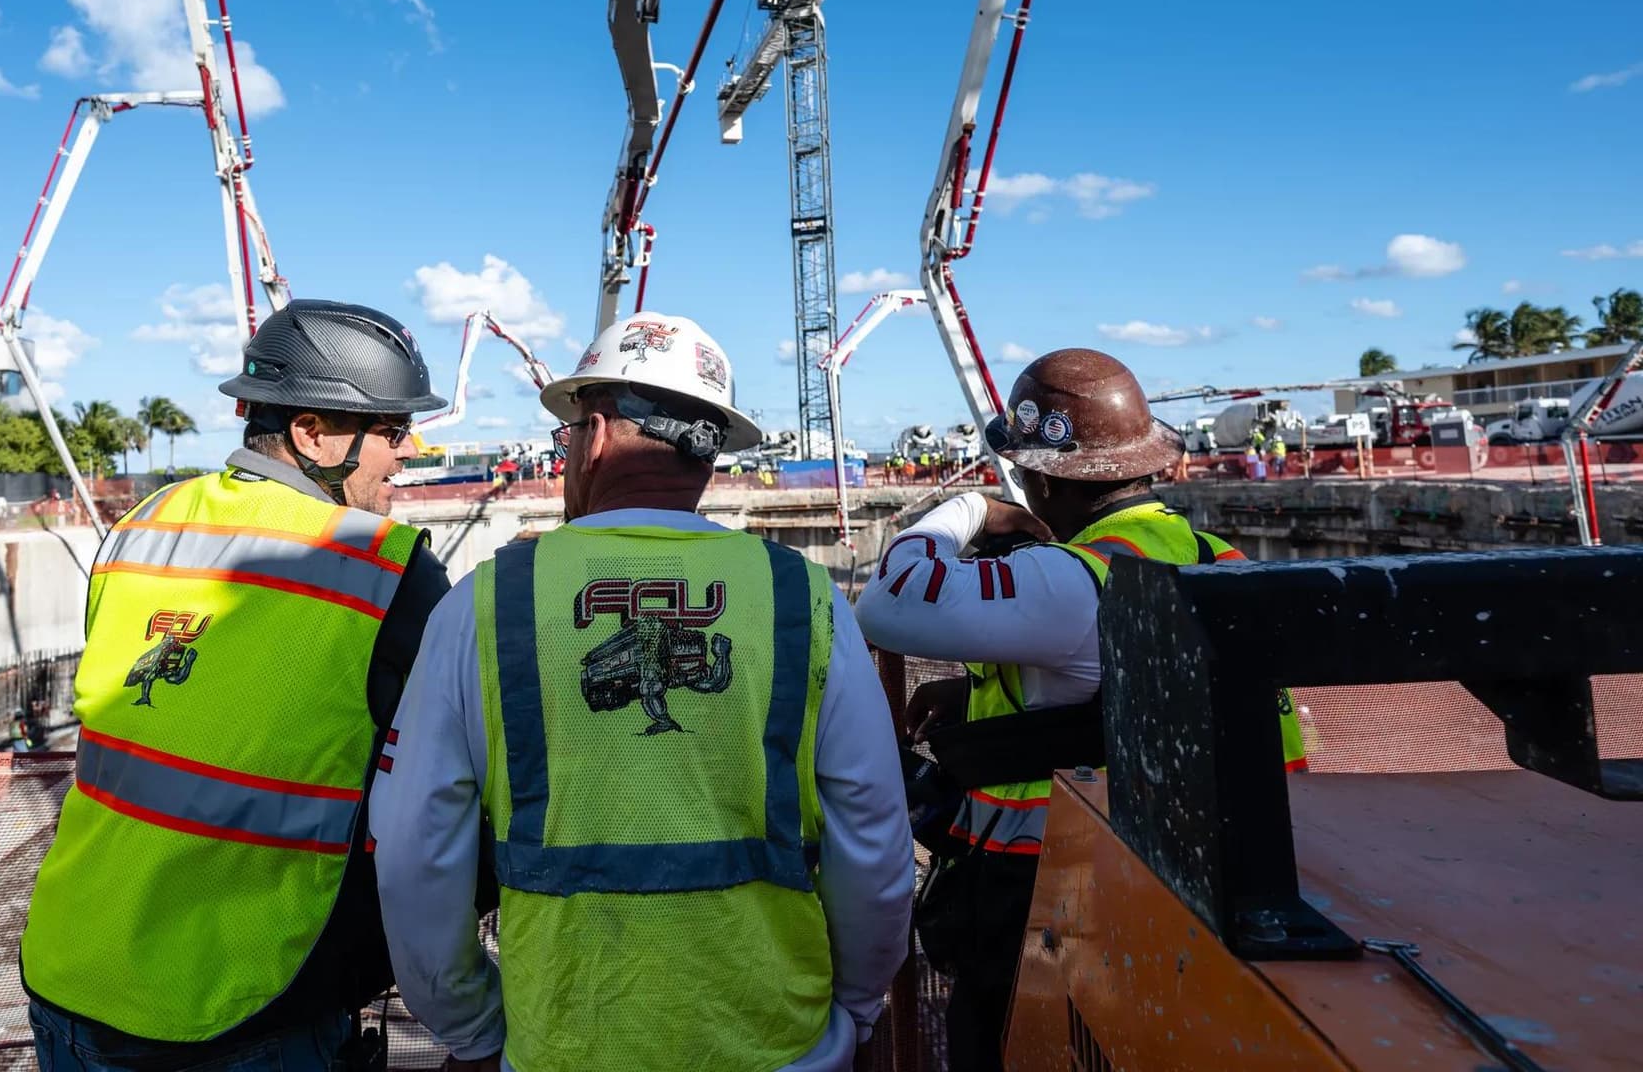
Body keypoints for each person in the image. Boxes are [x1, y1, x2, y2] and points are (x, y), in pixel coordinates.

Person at [371, 311, 914, 1072]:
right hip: (782, 1044)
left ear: (593, 435)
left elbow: (413, 852)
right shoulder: (805, 598)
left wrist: (471, 1027)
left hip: (561, 1049)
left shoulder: (484, 605)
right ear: (709, 454)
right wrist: (854, 1004)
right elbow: (876, 841)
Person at [21, 300, 454, 1072]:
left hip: (68, 970)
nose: (408, 450)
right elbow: (446, 788)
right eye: (391, 429)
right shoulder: (384, 569)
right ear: (312, 433)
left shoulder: (144, 526)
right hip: (236, 1003)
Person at [853, 348, 1306, 1071]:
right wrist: (982, 699)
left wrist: (972, 508)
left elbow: (888, 602)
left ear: (1039, 478)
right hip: (1230, 874)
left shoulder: (1071, 576)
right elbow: (1130, 691)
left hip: (1051, 893)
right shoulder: (1212, 556)